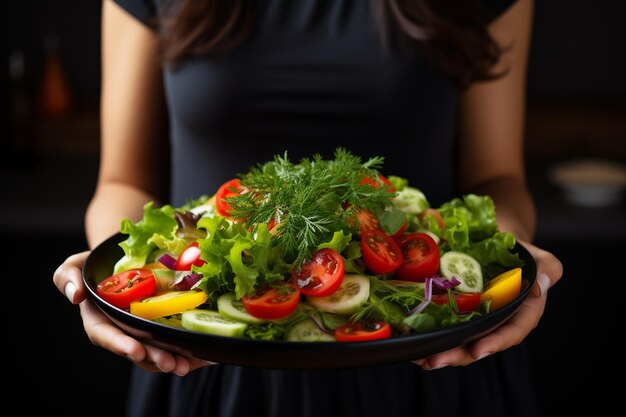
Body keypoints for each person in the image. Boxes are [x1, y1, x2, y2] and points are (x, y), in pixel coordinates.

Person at [53, 0, 563, 416]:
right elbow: (122, 181)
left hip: (434, 359)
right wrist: (108, 280)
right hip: (207, 363)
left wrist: (511, 268)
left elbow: (498, 178)